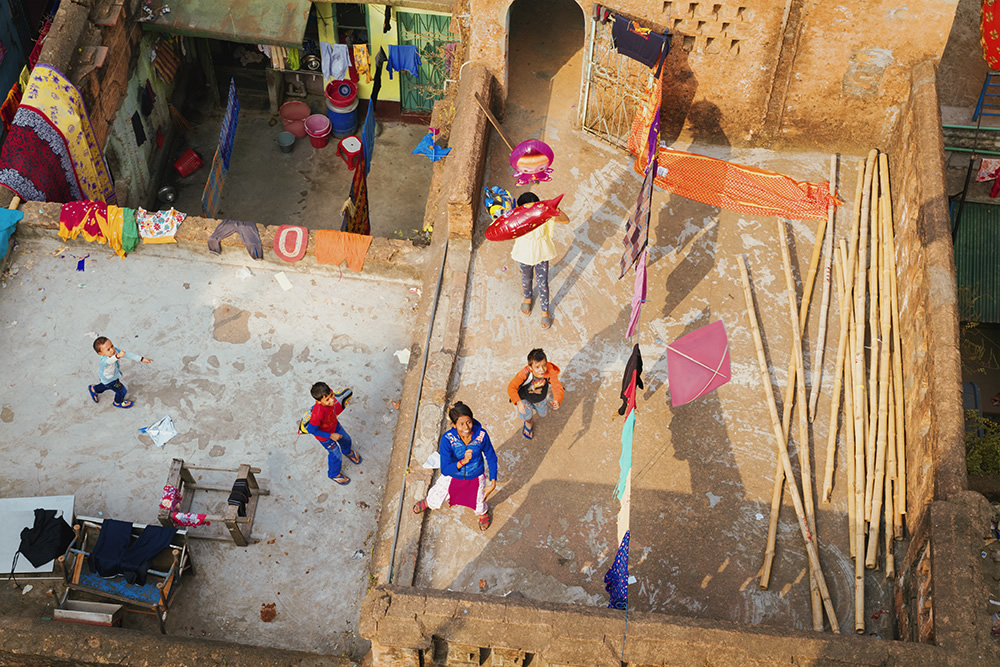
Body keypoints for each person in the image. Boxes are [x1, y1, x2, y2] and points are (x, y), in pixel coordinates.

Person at [412, 402, 498, 531]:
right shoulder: (447, 439)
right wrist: (463, 461)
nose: (466, 428)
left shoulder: (481, 435)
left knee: (479, 503)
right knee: (435, 498)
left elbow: (491, 457)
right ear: (454, 425)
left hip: (475, 475)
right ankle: (428, 502)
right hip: (453, 475)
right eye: (461, 424)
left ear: (472, 420)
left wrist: (493, 481)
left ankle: (483, 514)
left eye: (468, 422)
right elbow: (445, 469)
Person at [511, 192, 568, 329]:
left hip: (541, 255)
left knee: (543, 283)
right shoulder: (516, 219)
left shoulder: (545, 217)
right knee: (526, 278)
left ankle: (545, 311)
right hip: (524, 255)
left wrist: (551, 210)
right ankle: (527, 297)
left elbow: (565, 220)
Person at [304, 383, 360, 485]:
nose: (332, 400)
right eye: (327, 400)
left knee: (346, 439)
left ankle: (347, 451)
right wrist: (330, 436)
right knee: (335, 454)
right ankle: (334, 474)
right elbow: (311, 430)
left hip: (335, 426)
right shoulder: (318, 413)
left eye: (331, 396)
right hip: (325, 437)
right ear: (319, 402)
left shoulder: (328, 392)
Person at [506, 348, 564, 440]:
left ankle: (532, 413)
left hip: (540, 398)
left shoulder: (550, 371)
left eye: (544, 365)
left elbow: (557, 386)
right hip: (525, 398)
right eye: (537, 367)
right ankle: (529, 424)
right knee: (527, 416)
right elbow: (511, 387)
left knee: (542, 414)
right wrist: (519, 402)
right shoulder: (524, 373)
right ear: (530, 368)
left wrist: (557, 399)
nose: (542, 370)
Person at [88, 336, 152, 409]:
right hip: (111, 380)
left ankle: (94, 389)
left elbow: (127, 354)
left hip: (106, 379)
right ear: (101, 354)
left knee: (105, 386)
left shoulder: (115, 351)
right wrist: (118, 356)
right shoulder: (104, 361)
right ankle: (118, 402)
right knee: (122, 391)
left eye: (112, 346)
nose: (112, 350)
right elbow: (111, 360)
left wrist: (141, 359)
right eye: (108, 349)